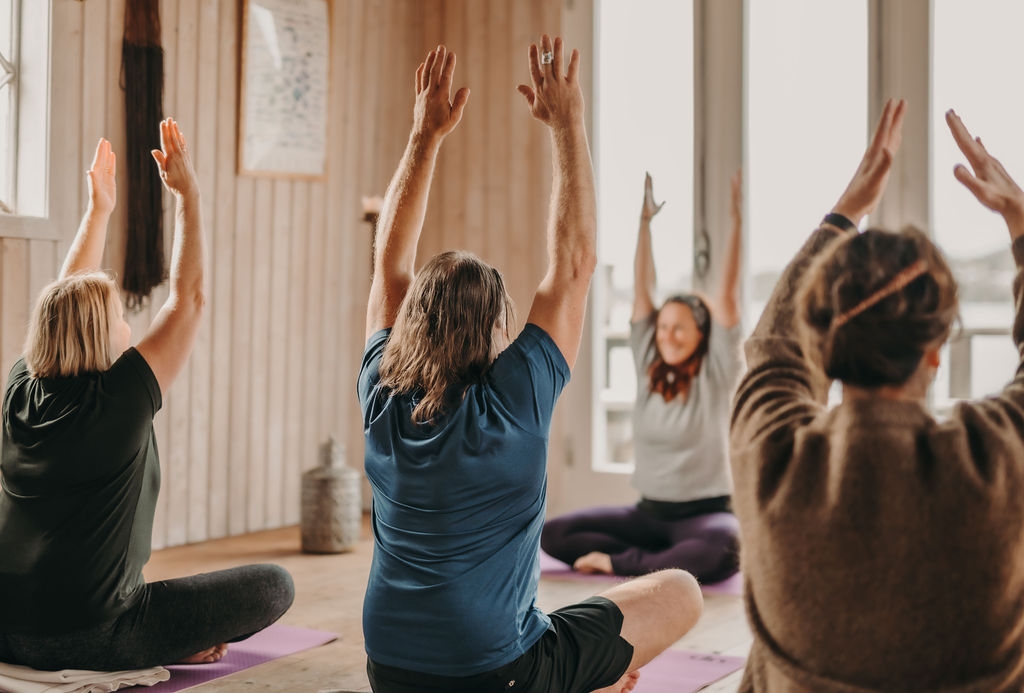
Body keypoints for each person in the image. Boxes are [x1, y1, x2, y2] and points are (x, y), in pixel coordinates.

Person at [358, 38, 703, 693]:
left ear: (414, 322)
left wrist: (423, 134)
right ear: (493, 328)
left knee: (546, 617)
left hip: (390, 671)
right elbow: (573, 266)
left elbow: (389, 267)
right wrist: (568, 125)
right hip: (497, 673)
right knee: (680, 590)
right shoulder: (512, 401)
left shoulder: (382, 395)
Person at [731, 98, 1024, 691]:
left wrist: (846, 212)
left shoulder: (772, 456)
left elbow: (772, 349)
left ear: (824, 340)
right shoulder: (996, 458)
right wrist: (1021, 224)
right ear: (936, 350)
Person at [0, 121, 293, 671]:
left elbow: (64, 302)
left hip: (6, 627)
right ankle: (159, 646)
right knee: (274, 585)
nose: (126, 318)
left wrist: (100, 210)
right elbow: (189, 299)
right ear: (96, 335)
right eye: (115, 313)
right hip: (84, 638)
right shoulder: (119, 400)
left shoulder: (20, 390)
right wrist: (190, 196)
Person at [541, 170, 744, 583]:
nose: (667, 335)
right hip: (648, 514)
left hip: (705, 516)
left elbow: (726, 296)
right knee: (554, 534)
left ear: (702, 335)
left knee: (726, 549)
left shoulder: (717, 370)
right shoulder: (649, 363)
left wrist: (737, 223)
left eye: (679, 328)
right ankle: (662, 558)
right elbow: (642, 291)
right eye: (663, 326)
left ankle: (622, 563)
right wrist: (644, 225)